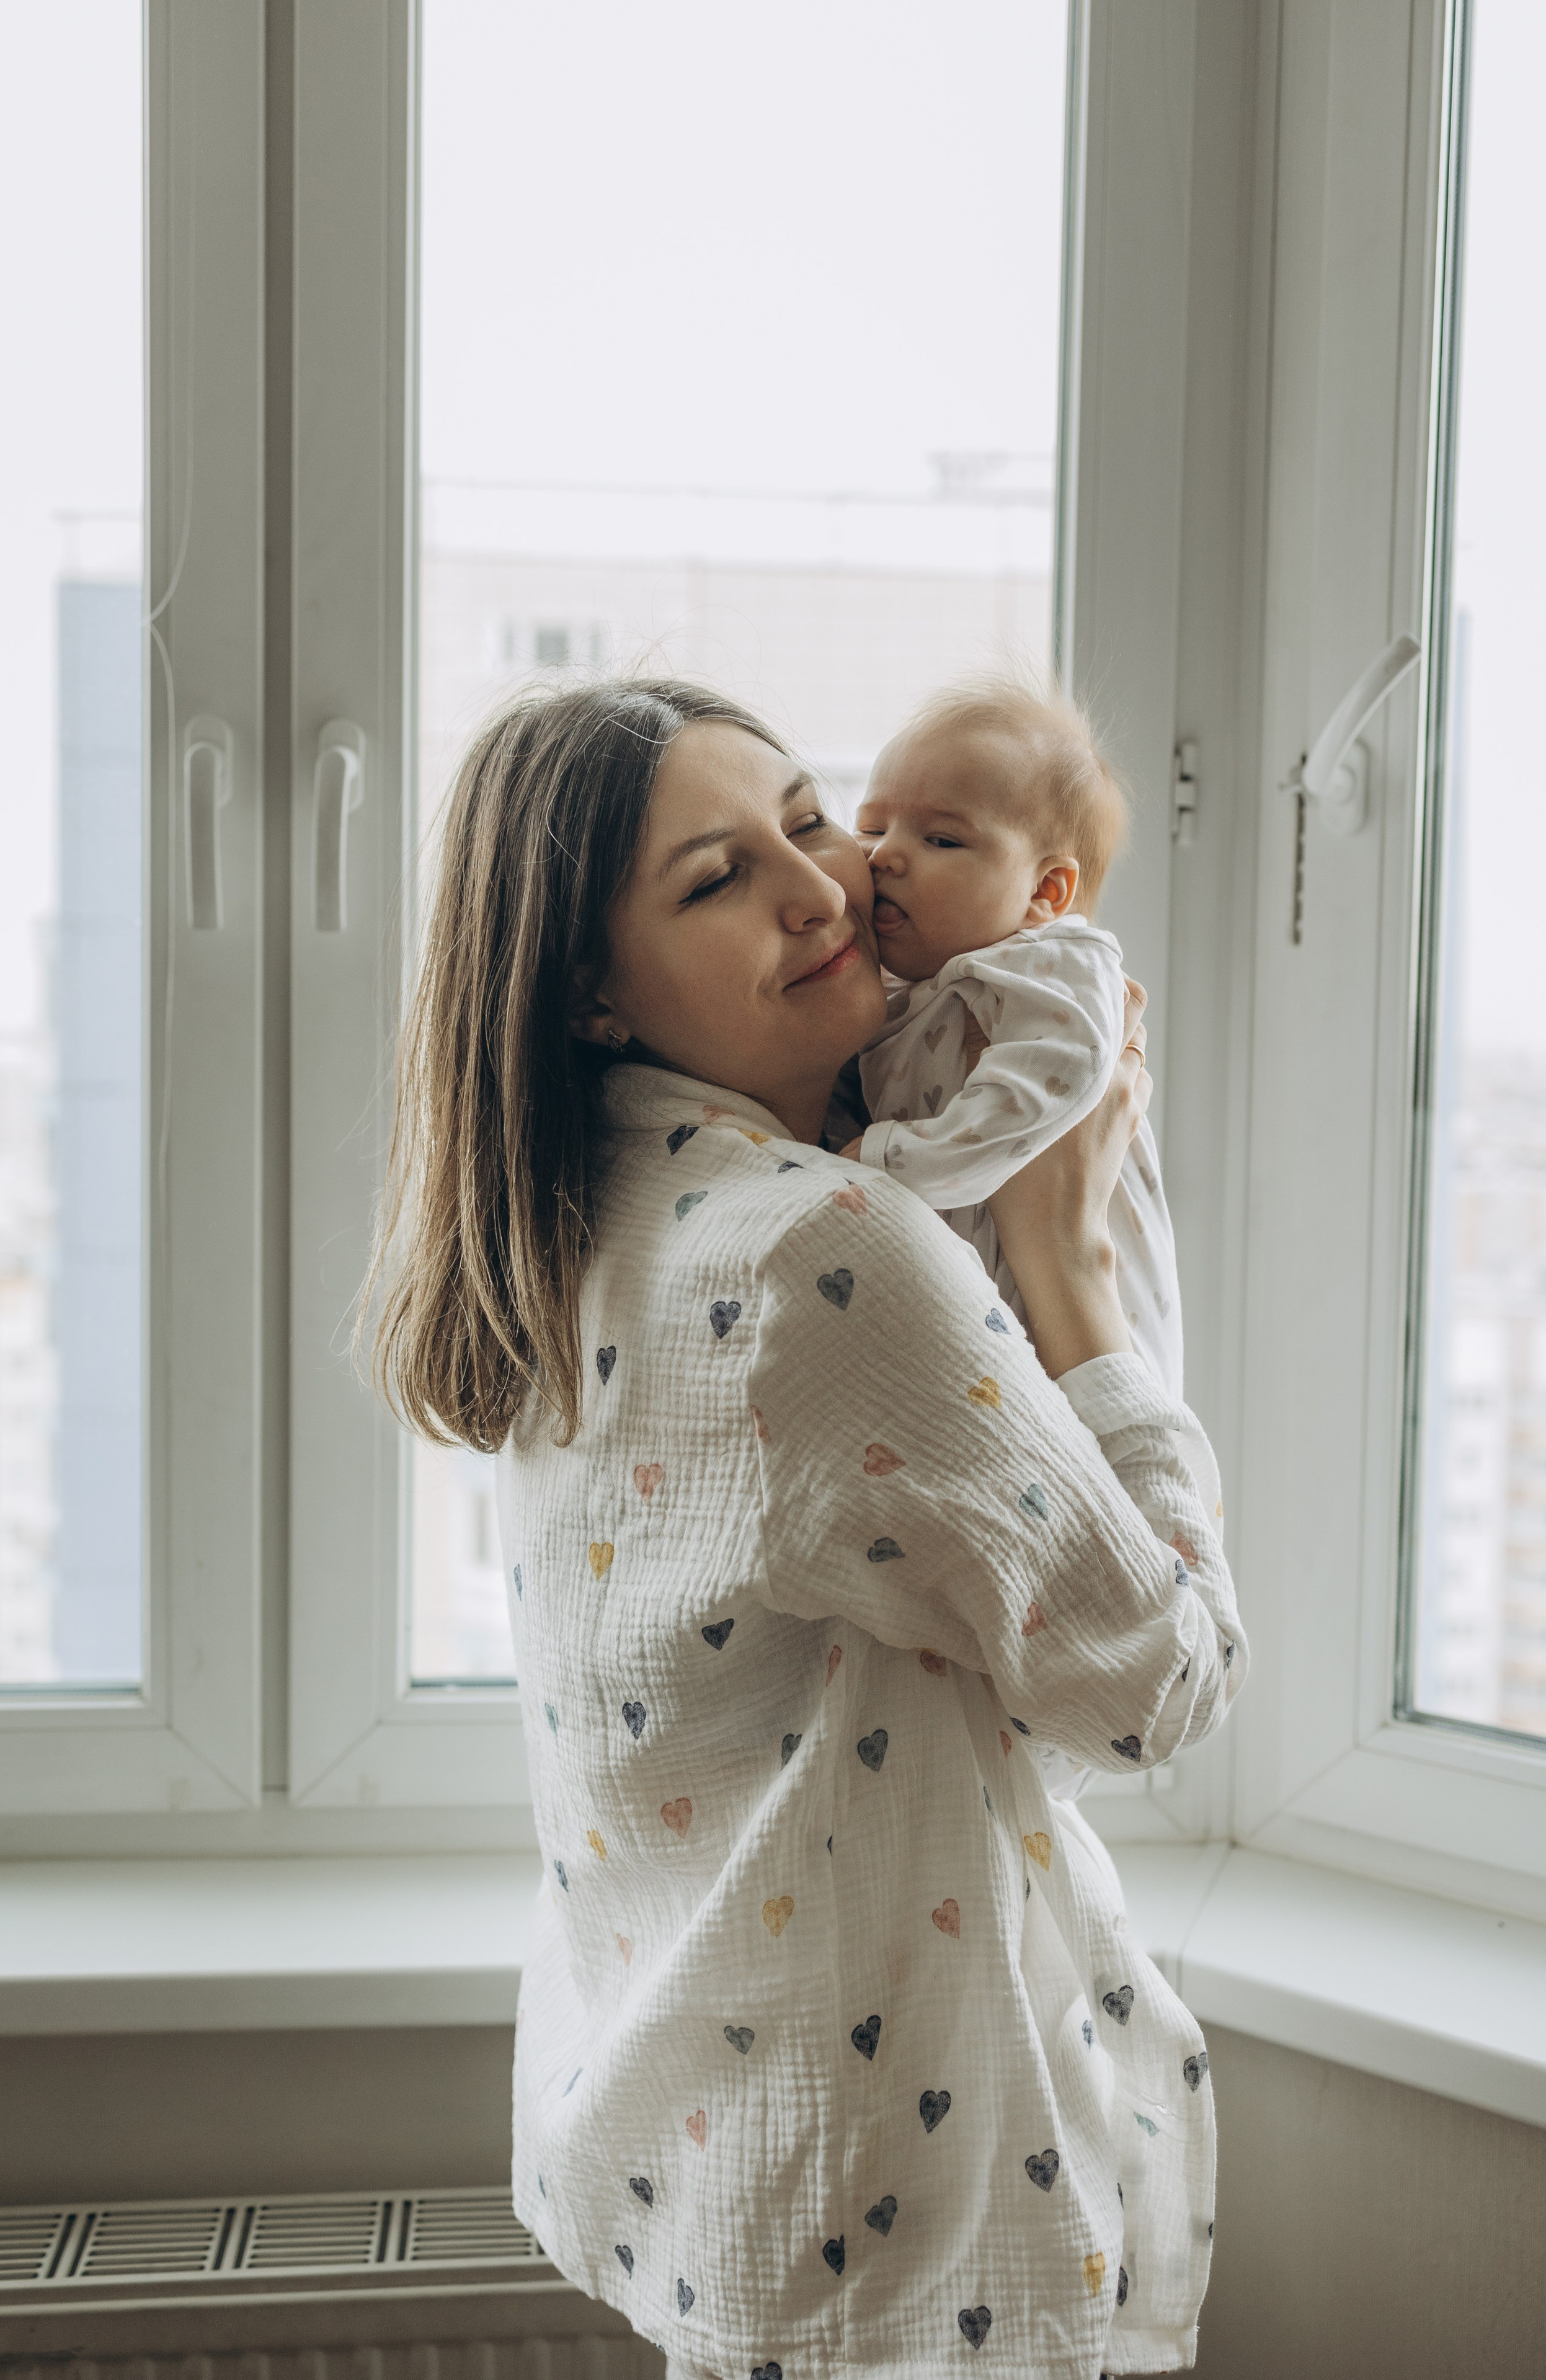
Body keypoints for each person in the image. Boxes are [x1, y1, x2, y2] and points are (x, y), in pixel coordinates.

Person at [367, 678, 1247, 2380]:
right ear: (589, 993)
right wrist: (1070, 1270)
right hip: (905, 2239)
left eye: (808, 813)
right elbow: (1165, 1683)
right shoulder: (822, 1258)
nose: (828, 886)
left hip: (716, 2159)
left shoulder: (586, 1228)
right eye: (717, 879)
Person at [851, 674, 1181, 1404]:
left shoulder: (1052, 965)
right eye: (871, 827)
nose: (884, 858)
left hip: (1092, 1313)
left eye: (940, 838)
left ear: (1046, 894)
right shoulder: (904, 989)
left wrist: (879, 1161)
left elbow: (1040, 1099)